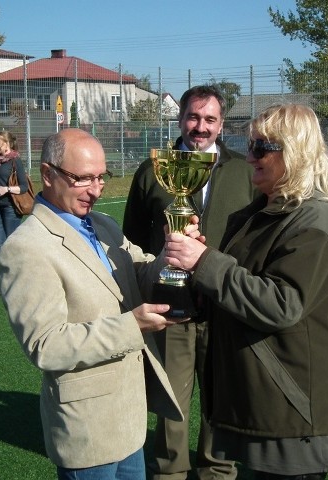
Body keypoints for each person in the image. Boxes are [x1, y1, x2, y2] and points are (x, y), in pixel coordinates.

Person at [164, 104, 328, 479]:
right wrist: (192, 266)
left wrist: (204, 261)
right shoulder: (263, 212)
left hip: (293, 407)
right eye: (249, 144)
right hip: (265, 401)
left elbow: (283, 304)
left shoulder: (315, 219)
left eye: (261, 148)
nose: (249, 155)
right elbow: (241, 284)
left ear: (295, 151)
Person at [0, 128, 187, 480]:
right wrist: (133, 326)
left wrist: (170, 255)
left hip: (129, 420)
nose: (97, 189)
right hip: (86, 431)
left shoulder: (103, 225)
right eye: (83, 178)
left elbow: (141, 273)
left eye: (102, 177)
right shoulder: (26, 247)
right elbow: (46, 345)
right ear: (47, 174)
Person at [123, 85, 257, 479]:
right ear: (180, 118)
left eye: (210, 119)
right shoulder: (153, 170)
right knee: (170, 403)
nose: (200, 127)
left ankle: (217, 470)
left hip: (225, 304)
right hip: (170, 309)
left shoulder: (243, 170)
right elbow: (130, 238)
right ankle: (169, 472)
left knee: (221, 398)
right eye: (193, 117)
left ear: (222, 123)